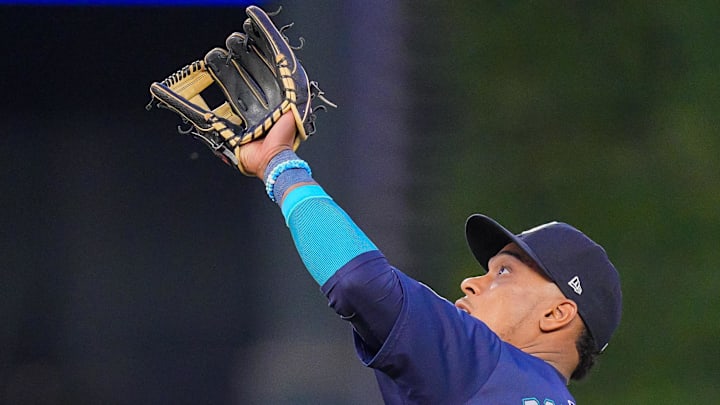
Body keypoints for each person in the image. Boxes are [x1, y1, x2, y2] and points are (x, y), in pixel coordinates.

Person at [236, 112, 622, 404]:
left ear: (556, 314)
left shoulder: (486, 366)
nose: (472, 283)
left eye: (505, 272)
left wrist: (278, 165)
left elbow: (359, 283)